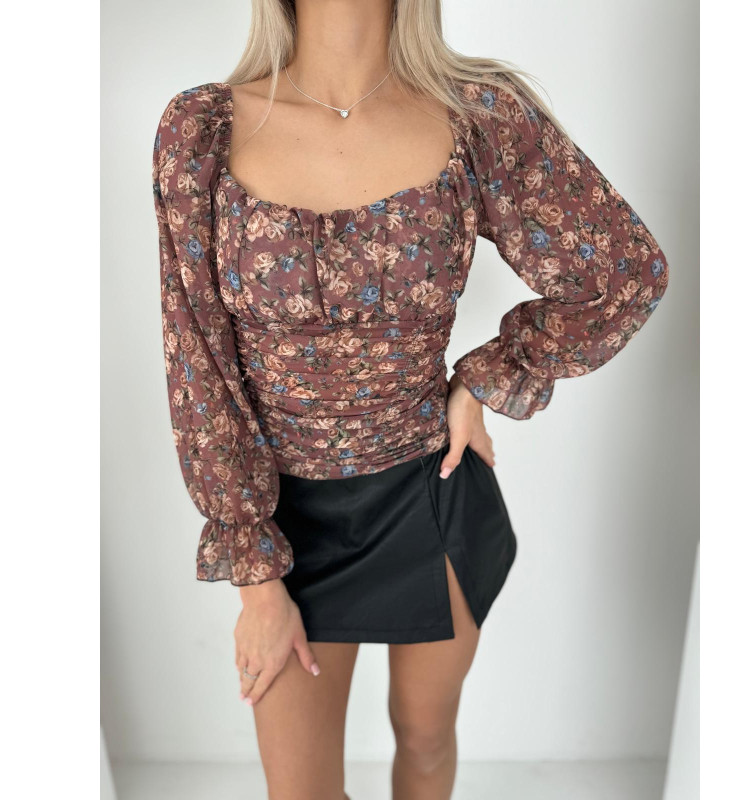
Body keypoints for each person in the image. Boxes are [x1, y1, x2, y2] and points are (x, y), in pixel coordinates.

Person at [151, 1, 669, 797]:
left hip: (431, 496)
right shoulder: (202, 131)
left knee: (425, 740)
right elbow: (196, 362)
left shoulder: (479, 118)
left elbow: (624, 272)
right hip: (285, 523)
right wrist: (255, 576)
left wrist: (486, 377)